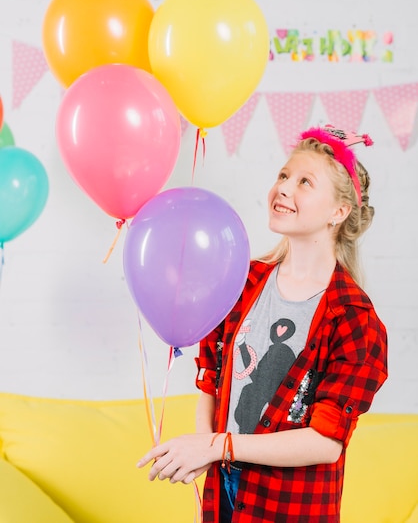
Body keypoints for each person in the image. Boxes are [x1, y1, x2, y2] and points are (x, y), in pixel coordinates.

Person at [137, 124, 388, 523]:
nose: (284, 188)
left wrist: (218, 446)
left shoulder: (354, 319)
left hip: (291, 505)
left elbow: (326, 442)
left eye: (305, 182)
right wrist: (206, 448)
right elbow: (212, 378)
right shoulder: (240, 281)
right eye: (284, 176)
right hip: (224, 491)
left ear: (338, 212)